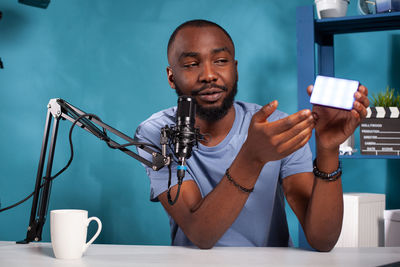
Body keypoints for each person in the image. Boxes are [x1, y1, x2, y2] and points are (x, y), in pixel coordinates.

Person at [135, 19, 369, 251]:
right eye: (191, 64)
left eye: (220, 61)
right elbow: (202, 234)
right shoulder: (156, 133)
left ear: (235, 69)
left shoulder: (275, 127)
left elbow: (322, 239)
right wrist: (252, 157)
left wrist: (328, 149)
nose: (208, 74)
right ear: (171, 76)